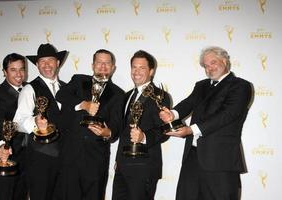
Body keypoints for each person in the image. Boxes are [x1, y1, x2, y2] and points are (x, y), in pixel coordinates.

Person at [159, 46, 253, 200]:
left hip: (221, 161)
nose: (209, 68)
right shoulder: (201, 85)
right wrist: (172, 113)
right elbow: (187, 104)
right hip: (193, 157)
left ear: (224, 61)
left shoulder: (241, 86)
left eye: (213, 63)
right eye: (205, 66)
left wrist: (191, 130)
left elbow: (227, 115)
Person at [55, 49, 125, 200]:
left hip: (96, 159)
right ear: (92, 65)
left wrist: (107, 132)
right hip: (70, 156)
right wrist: (83, 104)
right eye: (99, 62)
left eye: (107, 63)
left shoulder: (119, 94)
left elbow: (116, 128)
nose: (103, 66)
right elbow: (61, 95)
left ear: (113, 67)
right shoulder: (79, 80)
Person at [111, 50, 171, 200]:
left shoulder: (160, 96)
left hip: (145, 166)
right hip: (122, 167)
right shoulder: (126, 96)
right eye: (134, 67)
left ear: (151, 71)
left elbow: (165, 130)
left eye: (142, 68)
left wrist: (144, 136)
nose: (137, 72)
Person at [13, 43, 68, 200]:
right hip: (40, 158)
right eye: (42, 61)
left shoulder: (66, 89)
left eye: (50, 60)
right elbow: (18, 121)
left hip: (65, 157)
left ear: (58, 63)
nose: (47, 65)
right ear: (37, 65)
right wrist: (35, 121)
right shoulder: (29, 89)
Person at [0, 53, 28, 200]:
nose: (18, 74)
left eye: (21, 69)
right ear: (4, 72)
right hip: (6, 156)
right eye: (13, 70)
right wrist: (2, 144)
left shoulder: (29, 90)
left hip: (26, 158)